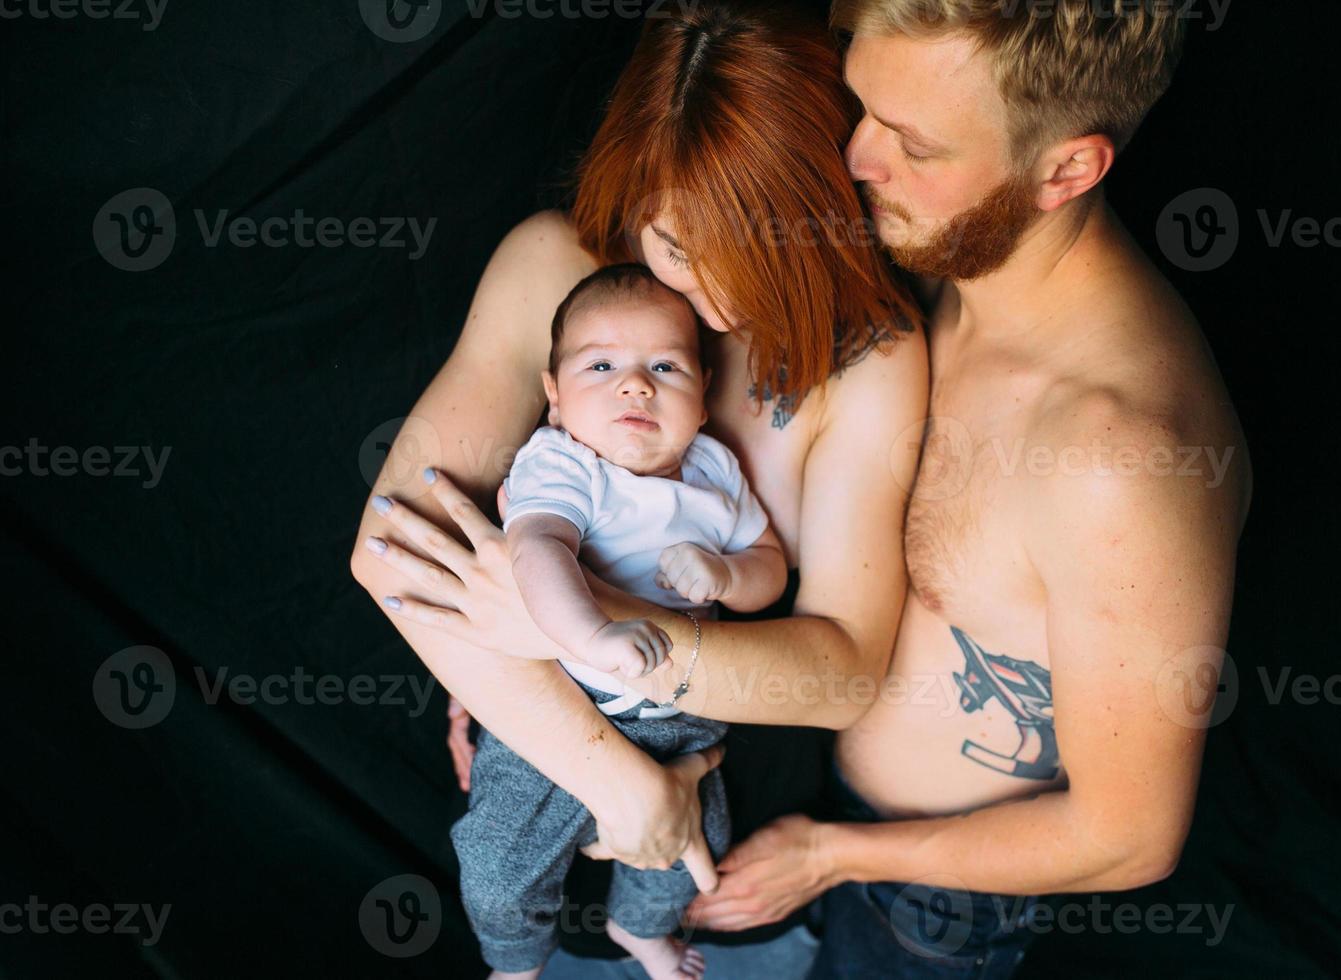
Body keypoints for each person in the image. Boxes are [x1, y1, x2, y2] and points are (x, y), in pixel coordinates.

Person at [675, 2, 1255, 977]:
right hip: (794, 784)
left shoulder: (1117, 456)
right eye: (863, 108)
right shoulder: (945, 254)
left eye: (915, 144)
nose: (857, 159)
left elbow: (1129, 833)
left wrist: (836, 855)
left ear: (1065, 170)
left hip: (927, 899)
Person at [350, 2, 927, 974]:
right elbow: (392, 548)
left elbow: (844, 674)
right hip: (546, 789)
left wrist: (572, 628)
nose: (713, 296)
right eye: (673, 244)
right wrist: (620, 783)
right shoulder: (559, 268)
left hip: (731, 862)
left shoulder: (870, 359)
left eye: (752, 254)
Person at [435, 262, 786, 979]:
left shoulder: (714, 471)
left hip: (684, 714)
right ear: (554, 397)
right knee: (498, 862)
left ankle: (640, 928)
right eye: (602, 365)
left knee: (697, 841)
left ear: (702, 395)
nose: (636, 384)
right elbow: (536, 553)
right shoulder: (565, 465)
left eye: (665, 365)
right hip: (560, 708)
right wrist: (595, 634)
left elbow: (769, 563)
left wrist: (728, 574)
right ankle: (515, 959)